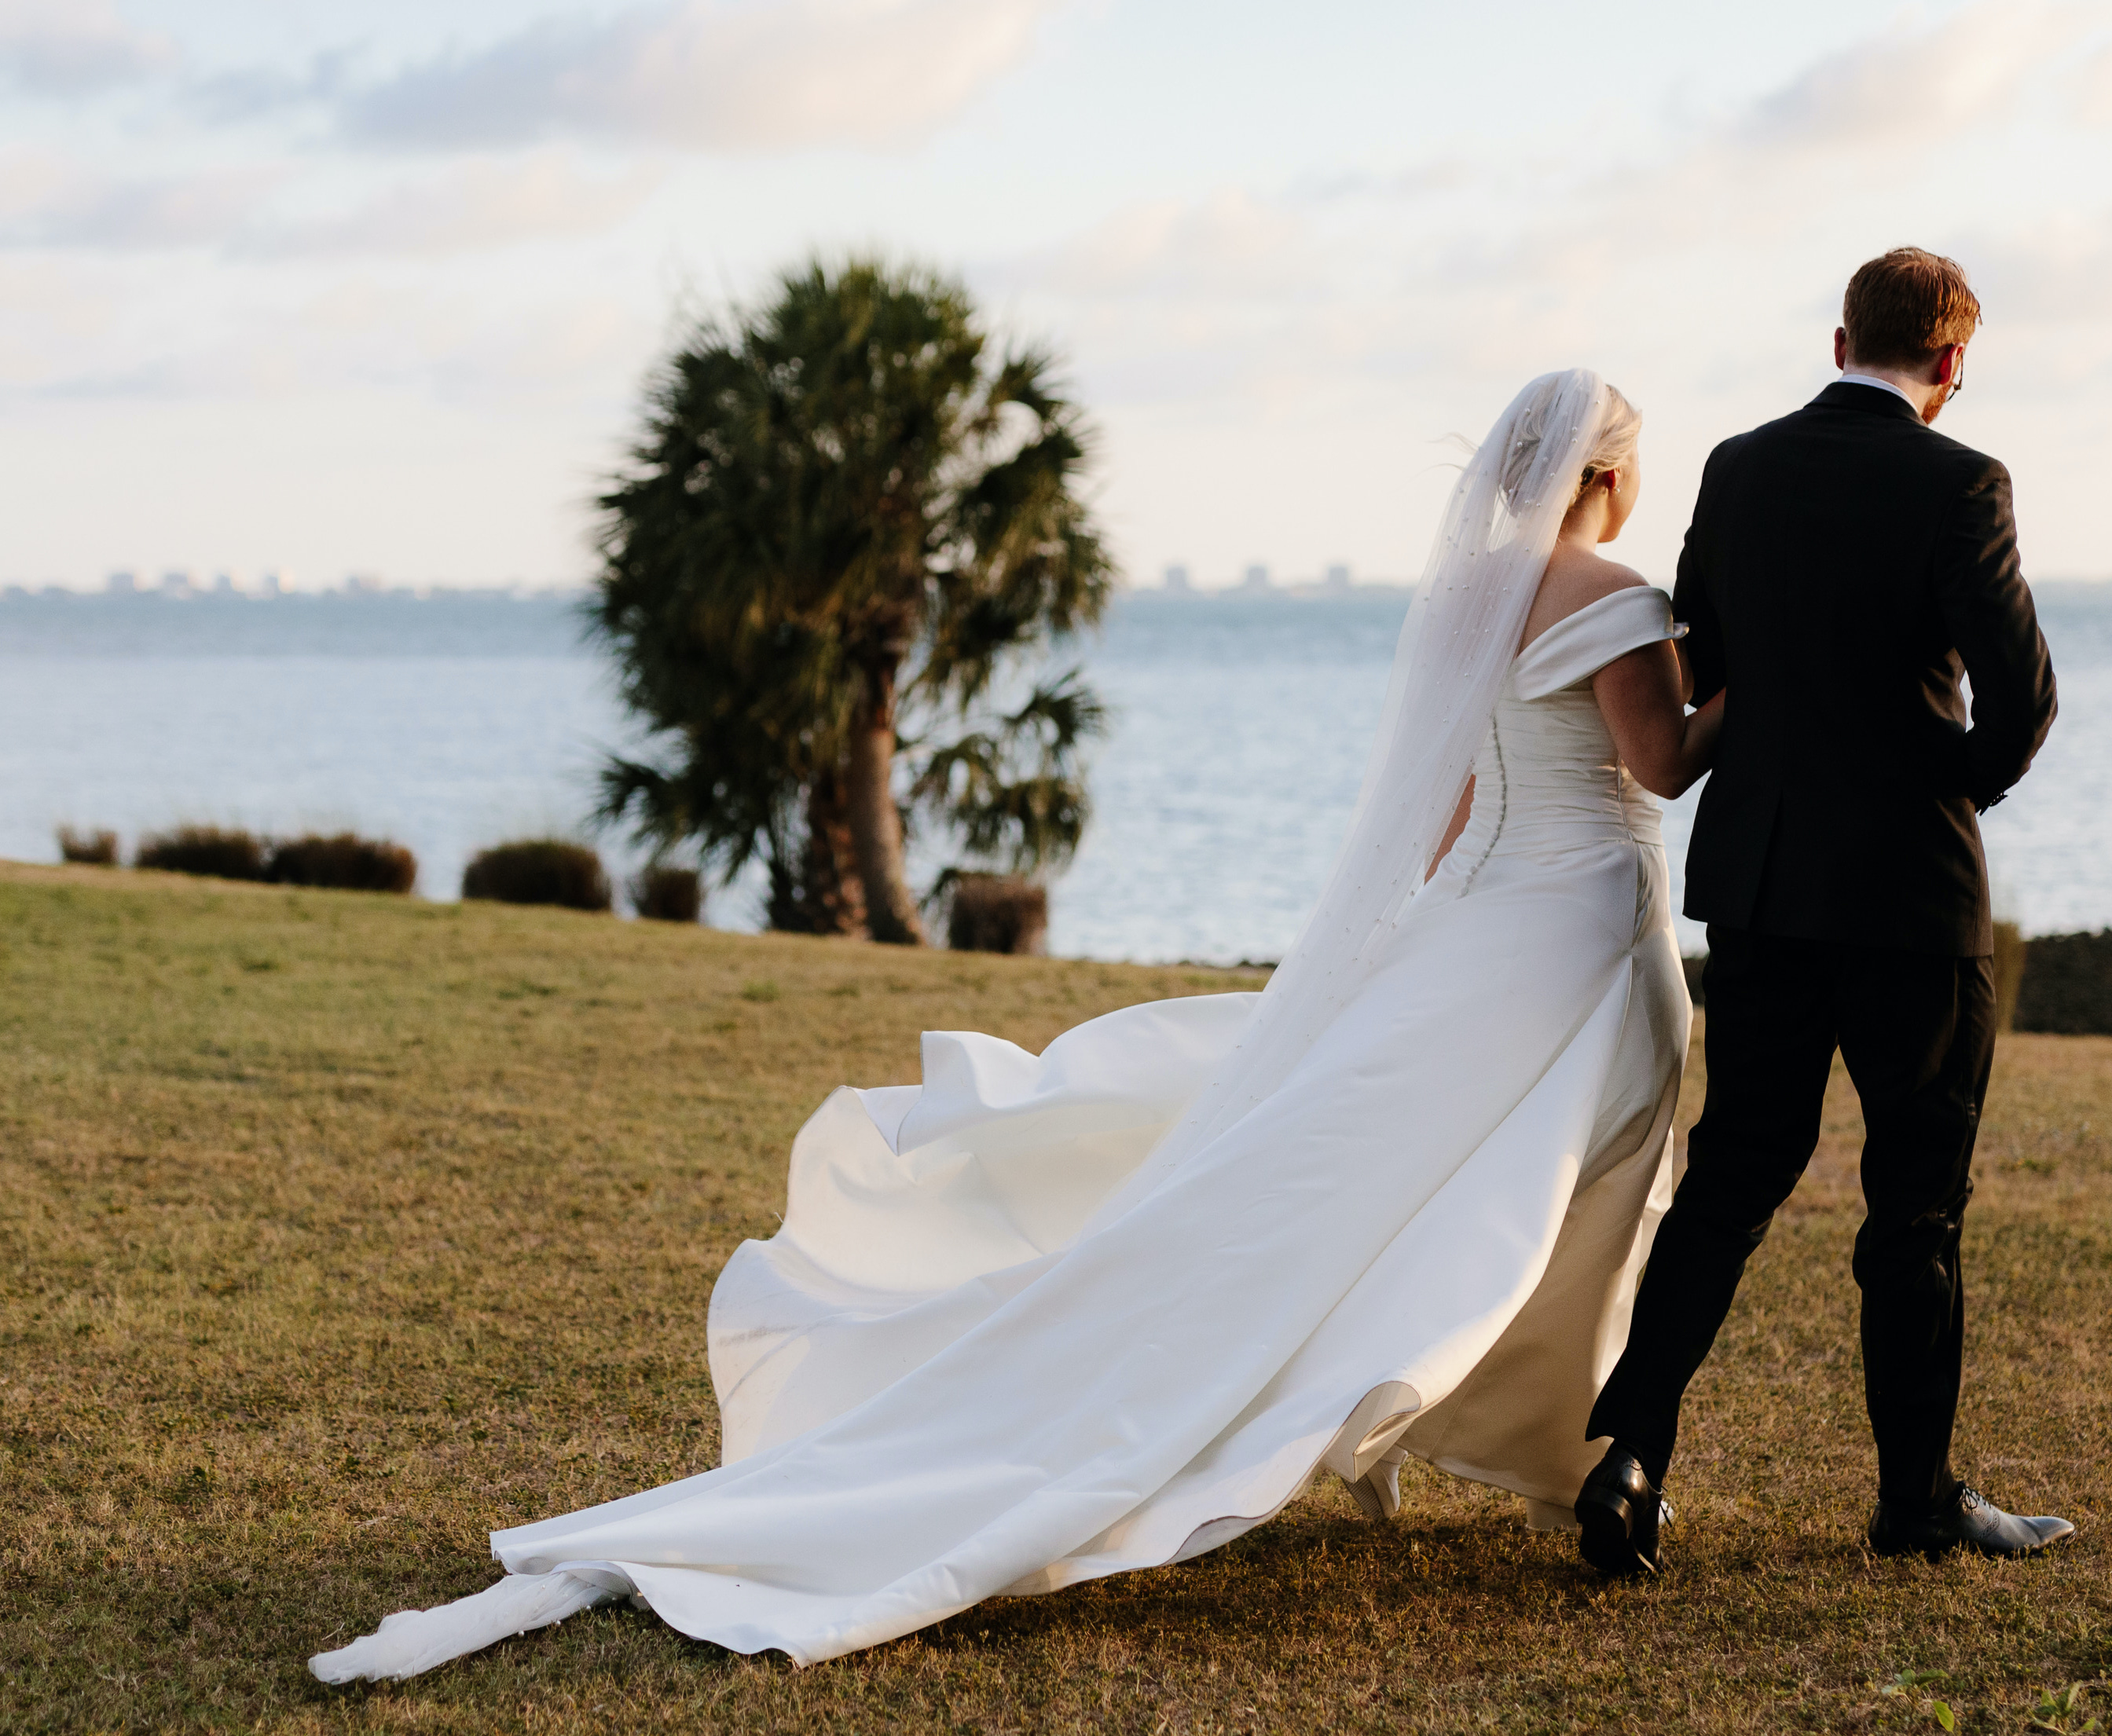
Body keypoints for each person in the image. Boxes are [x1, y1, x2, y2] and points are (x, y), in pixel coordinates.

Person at [313, 369, 1721, 1683]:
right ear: (1610, 473)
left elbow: (1459, 809)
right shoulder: (1614, 594)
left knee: (1440, 1179)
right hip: (1574, 920)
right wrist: (1759, 679)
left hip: (1482, 913)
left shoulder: (1474, 600)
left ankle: (1531, 1432)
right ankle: (1566, 1443)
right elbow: (1661, 760)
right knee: (1557, 1180)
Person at [1576, 249, 2066, 1577]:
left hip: (1767, 886)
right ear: (1952, 363)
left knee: (1732, 1176)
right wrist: (1940, 784)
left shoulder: (1739, 467)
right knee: (1913, 1208)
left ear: (1842, 335)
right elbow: (2023, 703)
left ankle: (1630, 1456)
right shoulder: (1963, 481)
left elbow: (1708, 661)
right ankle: (1914, 1504)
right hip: (1912, 897)